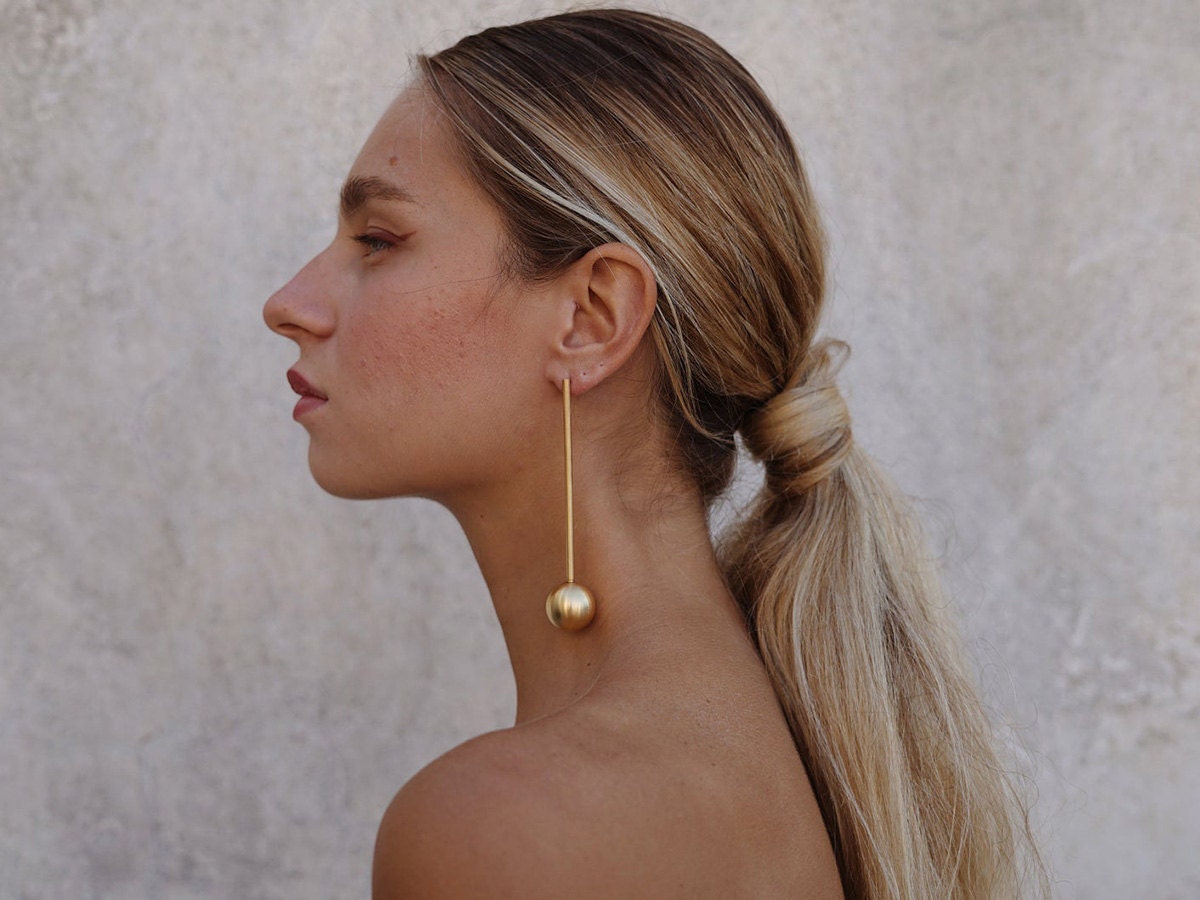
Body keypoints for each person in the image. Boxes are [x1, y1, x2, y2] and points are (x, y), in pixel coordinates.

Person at [264, 9, 1043, 898]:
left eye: (377, 240)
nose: (289, 303)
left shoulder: (504, 829)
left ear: (592, 316)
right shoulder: (801, 758)